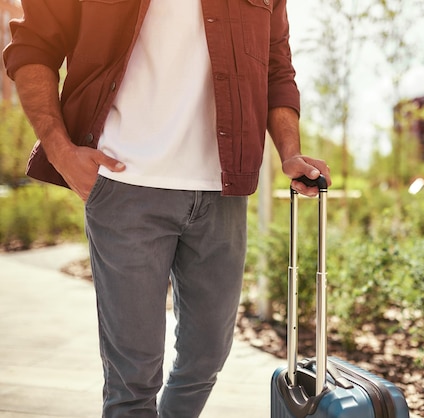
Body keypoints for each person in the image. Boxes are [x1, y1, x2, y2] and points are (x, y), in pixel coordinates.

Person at [3, 1, 331, 417]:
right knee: (132, 380)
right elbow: (33, 45)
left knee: (206, 358)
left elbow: (276, 67)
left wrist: (290, 152)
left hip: (224, 191)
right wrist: (60, 151)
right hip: (126, 186)